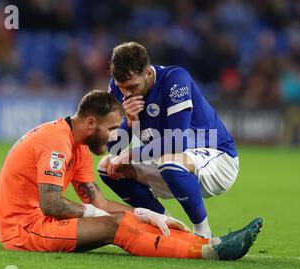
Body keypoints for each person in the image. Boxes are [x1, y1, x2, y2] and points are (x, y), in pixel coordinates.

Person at [0, 89, 262, 260]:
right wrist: (109, 216)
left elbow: (99, 202)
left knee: (129, 219)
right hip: (24, 230)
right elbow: (50, 204)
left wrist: (149, 215)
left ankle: (210, 242)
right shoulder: (55, 142)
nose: (114, 138)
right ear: (90, 123)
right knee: (116, 225)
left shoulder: (80, 146)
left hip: (40, 222)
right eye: (111, 129)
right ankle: (204, 252)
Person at [100, 42, 242, 238]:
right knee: (107, 167)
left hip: (217, 159)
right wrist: (131, 123)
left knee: (170, 161)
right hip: (170, 163)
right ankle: (168, 227)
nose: (127, 93)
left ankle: (203, 233)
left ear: (148, 73)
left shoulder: (175, 80)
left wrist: (130, 153)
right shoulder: (118, 89)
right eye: (121, 88)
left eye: (132, 86)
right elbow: (112, 147)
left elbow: (177, 143)